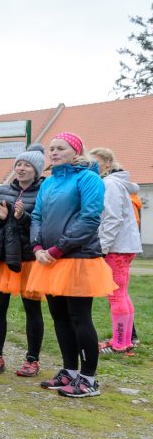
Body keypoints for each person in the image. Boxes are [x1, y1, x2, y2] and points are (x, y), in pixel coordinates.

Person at [26, 132, 117, 398]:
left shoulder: (88, 178)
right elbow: (37, 217)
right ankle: (70, 372)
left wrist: (57, 248)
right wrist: (37, 247)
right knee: (60, 317)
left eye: (60, 148)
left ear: (75, 153)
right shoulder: (49, 183)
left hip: (78, 258)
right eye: (51, 149)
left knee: (79, 317)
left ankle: (89, 379)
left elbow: (90, 218)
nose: (53, 153)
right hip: (50, 259)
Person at [0, 145, 46, 376]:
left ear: (37, 170)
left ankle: (32, 359)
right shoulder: (2, 190)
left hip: (28, 258)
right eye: (18, 164)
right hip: (3, 256)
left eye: (27, 165)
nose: (21, 168)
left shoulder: (45, 191)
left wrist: (22, 217)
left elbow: (44, 223)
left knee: (32, 309)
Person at [89, 147, 143, 355]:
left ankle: (120, 343)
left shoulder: (110, 184)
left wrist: (102, 247)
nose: (92, 166)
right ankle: (125, 340)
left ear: (107, 164)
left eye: (96, 162)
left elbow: (112, 218)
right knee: (121, 294)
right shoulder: (117, 183)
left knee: (115, 295)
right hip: (123, 246)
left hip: (116, 247)